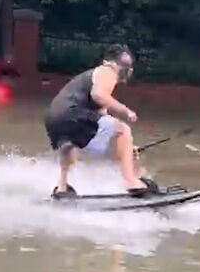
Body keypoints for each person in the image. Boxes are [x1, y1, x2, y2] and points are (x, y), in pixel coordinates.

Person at [44, 44, 151, 198]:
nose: (128, 70)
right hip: (72, 114)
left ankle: (62, 187)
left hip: (54, 118)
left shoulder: (92, 76)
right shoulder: (108, 71)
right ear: (113, 63)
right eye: (126, 66)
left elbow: (103, 121)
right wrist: (126, 111)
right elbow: (99, 95)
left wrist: (126, 147)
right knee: (123, 129)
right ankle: (131, 182)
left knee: (69, 147)